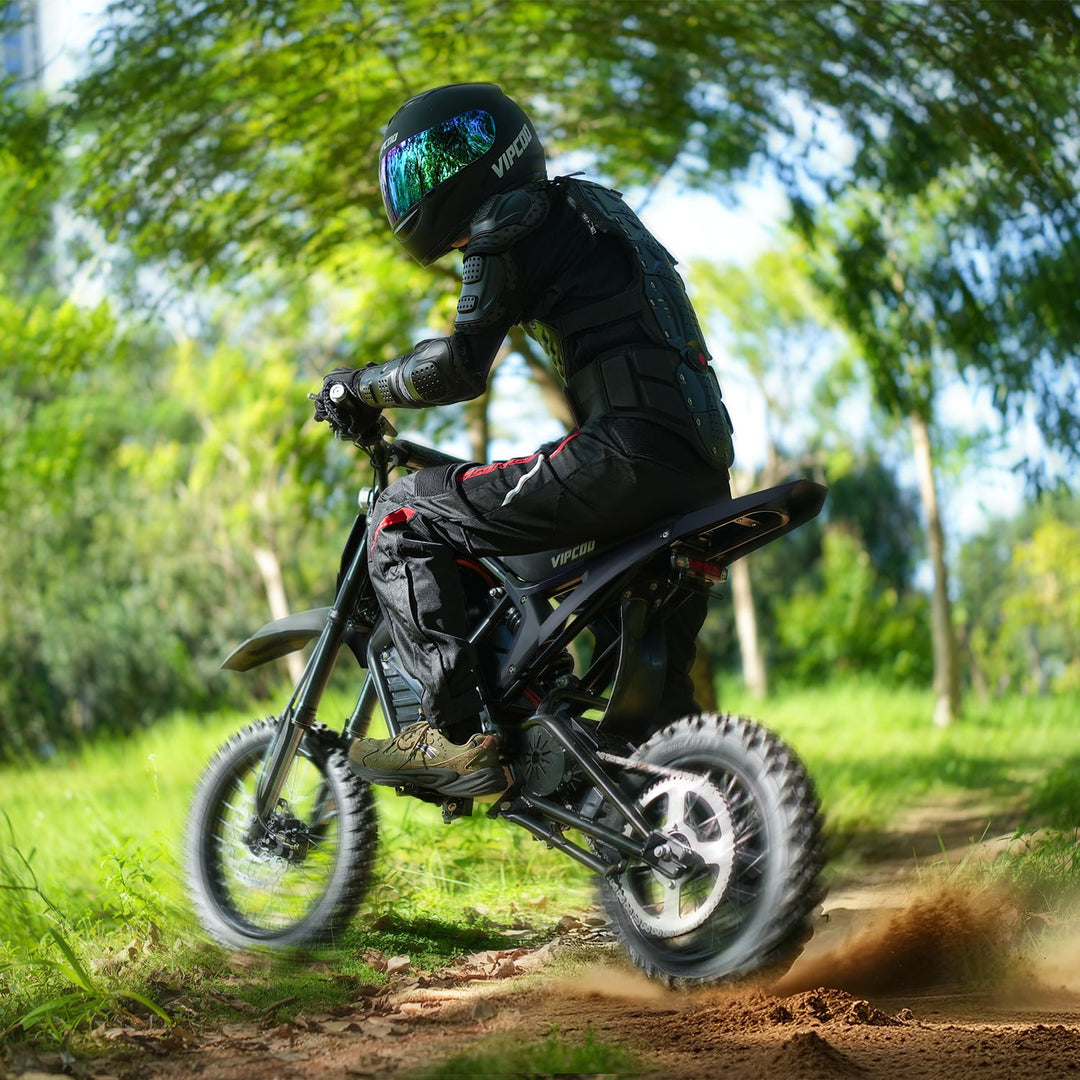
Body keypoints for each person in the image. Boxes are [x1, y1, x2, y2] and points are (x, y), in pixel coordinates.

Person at [313, 83, 734, 797]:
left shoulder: (508, 219)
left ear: (487, 156)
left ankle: (454, 737)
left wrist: (359, 387)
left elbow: (458, 369)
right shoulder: (595, 208)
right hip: (699, 468)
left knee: (403, 515)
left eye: (431, 165)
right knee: (653, 735)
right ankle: (721, 849)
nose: (418, 185)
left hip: (624, 456)